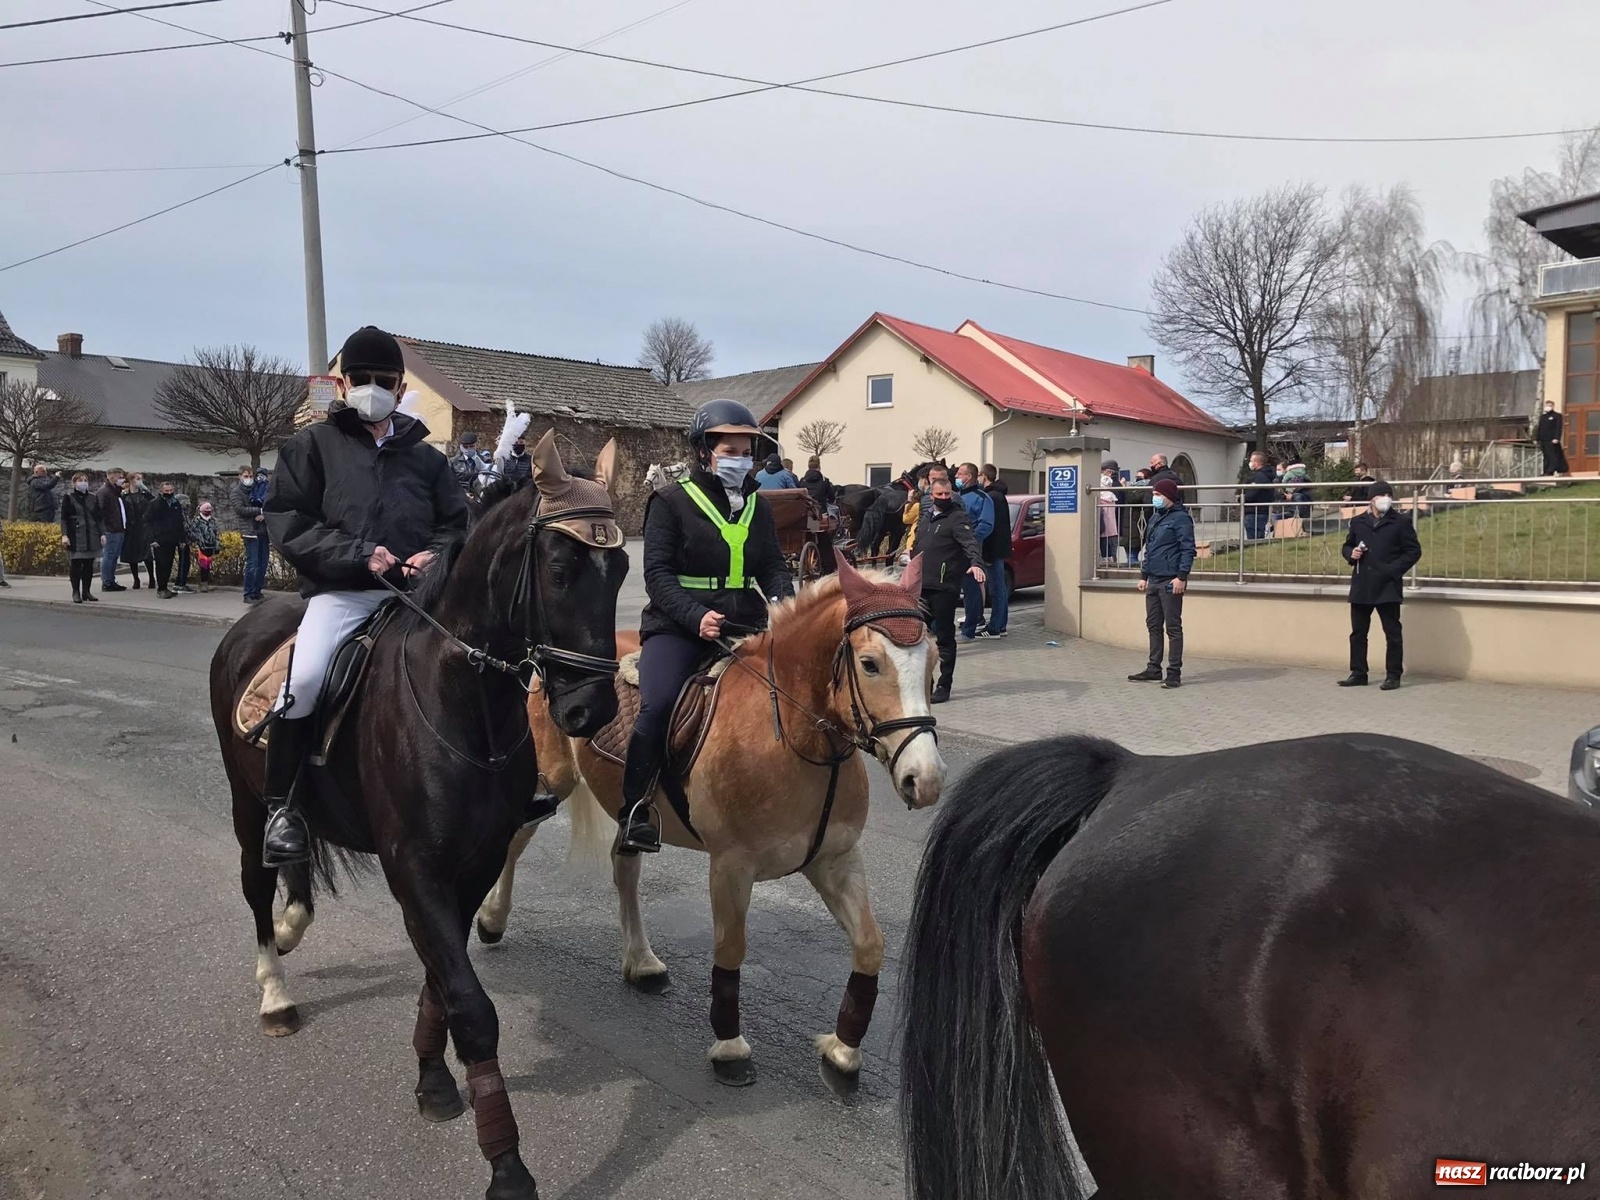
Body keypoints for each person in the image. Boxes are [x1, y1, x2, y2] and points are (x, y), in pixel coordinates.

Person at [259, 325, 470, 866]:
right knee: (304, 680)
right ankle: (282, 809)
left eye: (385, 380)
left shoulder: (429, 460)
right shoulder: (311, 447)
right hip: (344, 595)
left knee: (480, 665)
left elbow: (455, 524)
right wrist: (359, 554)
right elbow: (288, 521)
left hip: (417, 599)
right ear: (341, 382)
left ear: (401, 389)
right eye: (363, 379)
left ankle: (504, 784)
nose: (373, 388)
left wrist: (436, 556)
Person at [617, 398, 790, 855]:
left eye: (746, 450)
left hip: (745, 624)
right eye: (730, 450)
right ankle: (635, 810)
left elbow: (771, 565)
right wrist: (695, 616)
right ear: (703, 452)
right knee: (656, 707)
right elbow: (656, 574)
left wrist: (784, 604)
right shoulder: (669, 502)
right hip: (678, 626)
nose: (740, 459)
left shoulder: (759, 505)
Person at [1338, 480, 1422, 691]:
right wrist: (1351, 554)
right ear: (1371, 499)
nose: (1385, 499)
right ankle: (1358, 673)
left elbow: (1413, 551)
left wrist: (1393, 570)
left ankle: (1393, 675)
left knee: (1392, 633)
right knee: (1358, 633)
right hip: (1362, 584)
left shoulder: (1400, 522)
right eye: (1380, 495)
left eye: (1388, 494)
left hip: (1387, 586)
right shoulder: (1358, 522)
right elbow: (1347, 545)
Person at [911, 473, 986, 704]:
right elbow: (916, 545)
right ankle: (925, 683)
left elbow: (970, 543)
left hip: (945, 586)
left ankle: (944, 685)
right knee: (917, 637)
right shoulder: (926, 519)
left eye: (947, 494)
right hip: (922, 586)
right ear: (931, 496)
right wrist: (908, 556)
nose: (943, 497)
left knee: (944, 637)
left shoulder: (957, 517)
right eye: (939, 494)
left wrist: (975, 564)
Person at [1127, 478, 1194, 689]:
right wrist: (1143, 575)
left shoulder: (1181, 519)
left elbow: (1188, 550)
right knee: (1153, 625)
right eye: (1154, 494)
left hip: (1170, 580)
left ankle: (1174, 672)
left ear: (1169, 496)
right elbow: (1150, 549)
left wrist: (1181, 577)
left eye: (1158, 495)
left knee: (1173, 627)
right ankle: (1153, 668)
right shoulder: (1156, 518)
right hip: (1154, 579)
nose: (1154, 498)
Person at [953, 463, 995, 641]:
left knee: (971, 590)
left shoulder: (983, 498)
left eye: (959, 473)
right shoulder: (954, 497)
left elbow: (986, 525)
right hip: (951, 550)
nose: (956, 476)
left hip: (969, 551)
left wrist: (970, 540)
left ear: (968, 476)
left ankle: (971, 627)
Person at [977, 464, 1012, 638]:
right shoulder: (998, 495)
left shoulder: (991, 497)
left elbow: (993, 528)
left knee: (997, 589)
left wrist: (988, 552)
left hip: (993, 549)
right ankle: (1001, 625)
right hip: (998, 548)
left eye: (979, 476)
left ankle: (995, 627)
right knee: (999, 588)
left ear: (983, 476)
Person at [59, 472, 104, 603]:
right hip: (76, 535)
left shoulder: (93, 498)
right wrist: (64, 535)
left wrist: (102, 533)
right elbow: (64, 518)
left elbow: (99, 518)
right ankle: (76, 591)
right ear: (74, 483)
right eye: (80, 480)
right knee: (76, 565)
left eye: (85, 480)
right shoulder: (69, 497)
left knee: (89, 565)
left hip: (92, 535)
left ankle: (86, 591)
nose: (83, 482)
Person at [234, 466, 270, 605]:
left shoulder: (259, 488)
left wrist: (264, 514)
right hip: (249, 531)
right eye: (246, 476)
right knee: (252, 564)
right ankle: (248, 593)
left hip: (263, 531)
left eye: (250, 476)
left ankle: (257, 591)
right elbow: (240, 509)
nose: (249, 479)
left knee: (263, 563)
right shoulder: (236, 492)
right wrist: (259, 510)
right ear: (240, 476)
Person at [147, 480, 187, 599]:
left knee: (168, 564)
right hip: (159, 539)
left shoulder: (175, 503)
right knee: (161, 564)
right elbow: (147, 522)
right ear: (161, 491)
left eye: (171, 491)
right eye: (166, 491)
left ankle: (165, 587)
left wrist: (182, 539)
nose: (169, 493)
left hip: (172, 538)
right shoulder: (155, 503)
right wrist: (152, 539)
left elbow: (180, 522)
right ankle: (161, 588)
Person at [96, 469, 128, 592]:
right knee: (109, 555)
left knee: (114, 556)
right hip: (111, 529)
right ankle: (107, 581)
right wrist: (104, 529)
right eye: (119, 477)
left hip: (119, 528)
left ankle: (111, 580)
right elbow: (101, 512)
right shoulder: (104, 492)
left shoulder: (116, 492)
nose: (122, 479)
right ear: (111, 477)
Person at [121, 473, 155, 589]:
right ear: (131, 480)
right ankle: (136, 579)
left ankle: (151, 578)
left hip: (144, 526)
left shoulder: (145, 494)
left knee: (147, 553)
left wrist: (146, 490)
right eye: (137, 479)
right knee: (132, 554)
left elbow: (154, 503)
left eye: (141, 479)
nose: (140, 481)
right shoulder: (124, 495)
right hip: (131, 528)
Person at [1241, 452, 1276, 540]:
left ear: (1257, 463)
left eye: (1251, 461)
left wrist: (1241, 499)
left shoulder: (1260, 477)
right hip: (1261, 510)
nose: (1250, 463)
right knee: (1258, 534)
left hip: (1255, 511)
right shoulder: (1266, 475)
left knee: (1253, 536)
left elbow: (1252, 493)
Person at [189, 501, 221, 593]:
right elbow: (197, 533)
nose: (208, 511)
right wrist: (201, 545)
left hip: (211, 546)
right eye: (206, 509)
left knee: (208, 565)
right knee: (203, 565)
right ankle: (203, 584)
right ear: (201, 510)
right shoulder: (197, 521)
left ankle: (206, 583)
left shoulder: (213, 521)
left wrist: (217, 546)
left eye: (209, 509)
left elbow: (216, 534)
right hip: (201, 546)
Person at [1535, 401, 1569, 477]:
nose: (1548, 407)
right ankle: (1546, 470)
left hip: (1552, 440)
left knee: (1552, 455)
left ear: (1553, 406)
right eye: (1547, 405)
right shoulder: (1543, 417)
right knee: (1546, 456)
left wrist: (1557, 438)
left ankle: (1551, 471)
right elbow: (1539, 428)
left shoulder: (1557, 416)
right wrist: (1537, 439)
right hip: (1543, 439)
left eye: (1549, 405)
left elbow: (1558, 427)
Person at [1098, 463, 1121, 562]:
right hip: (1113, 530)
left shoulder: (1099, 497)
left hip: (1102, 530)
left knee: (1104, 553)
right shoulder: (1112, 497)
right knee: (1111, 554)